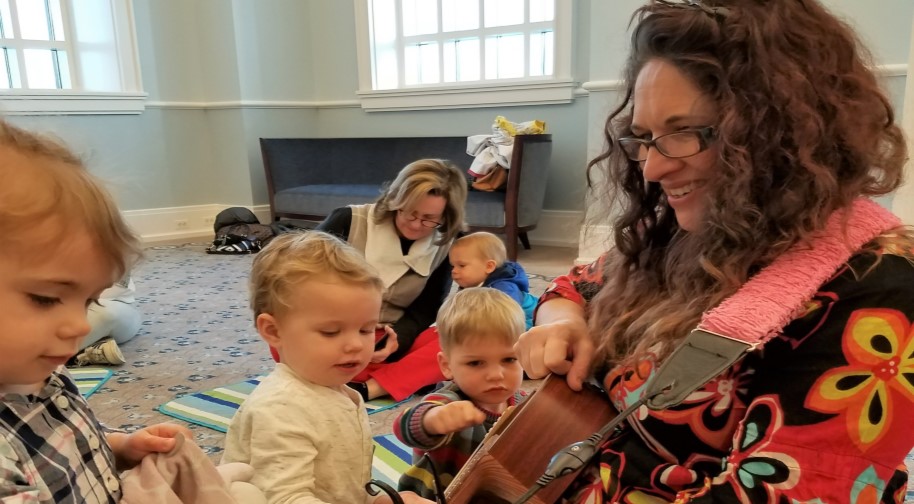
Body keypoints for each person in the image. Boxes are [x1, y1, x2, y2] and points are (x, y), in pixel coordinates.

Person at [515, 1, 914, 502]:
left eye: (684, 133)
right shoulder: (695, 230)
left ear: (783, 130)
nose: (652, 171)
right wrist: (559, 320)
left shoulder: (878, 285)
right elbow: (576, 284)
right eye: (644, 138)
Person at [0, 120, 193, 502]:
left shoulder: (45, 374)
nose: (78, 324)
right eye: (45, 298)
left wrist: (121, 448)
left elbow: (69, 440)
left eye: (89, 302)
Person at [222, 231, 432, 504]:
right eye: (331, 332)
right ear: (274, 330)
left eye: (366, 329)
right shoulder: (280, 409)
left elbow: (341, 483)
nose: (355, 345)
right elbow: (286, 498)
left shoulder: (337, 392)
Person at [314, 158, 469, 402]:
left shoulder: (447, 243)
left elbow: (426, 309)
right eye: (410, 213)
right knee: (285, 328)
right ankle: (403, 377)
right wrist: (351, 333)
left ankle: (371, 387)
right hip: (334, 332)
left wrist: (396, 341)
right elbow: (299, 280)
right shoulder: (348, 220)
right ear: (395, 200)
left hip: (390, 340)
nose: (417, 225)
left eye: (429, 219)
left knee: (463, 337)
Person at [394, 288, 526, 499]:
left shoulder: (522, 403)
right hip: (438, 496)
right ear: (447, 366)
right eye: (475, 363)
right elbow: (404, 426)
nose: (495, 374)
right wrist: (434, 420)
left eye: (509, 359)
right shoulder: (447, 402)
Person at [448, 231, 539, 329]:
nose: (454, 271)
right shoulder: (471, 283)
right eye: (453, 266)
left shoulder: (503, 288)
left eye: (462, 265)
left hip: (530, 318)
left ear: (489, 266)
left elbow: (508, 318)